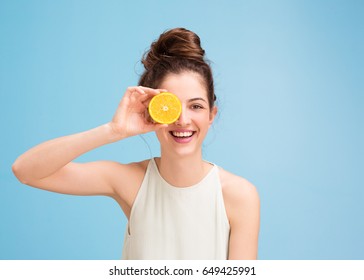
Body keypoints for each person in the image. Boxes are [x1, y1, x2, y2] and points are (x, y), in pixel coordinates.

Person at [12, 27, 260, 260]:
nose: (183, 120)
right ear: (152, 111)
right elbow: (25, 171)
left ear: (211, 115)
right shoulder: (131, 181)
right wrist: (113, 130)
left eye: (196, 106)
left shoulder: (239, 196)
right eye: (170, 106)